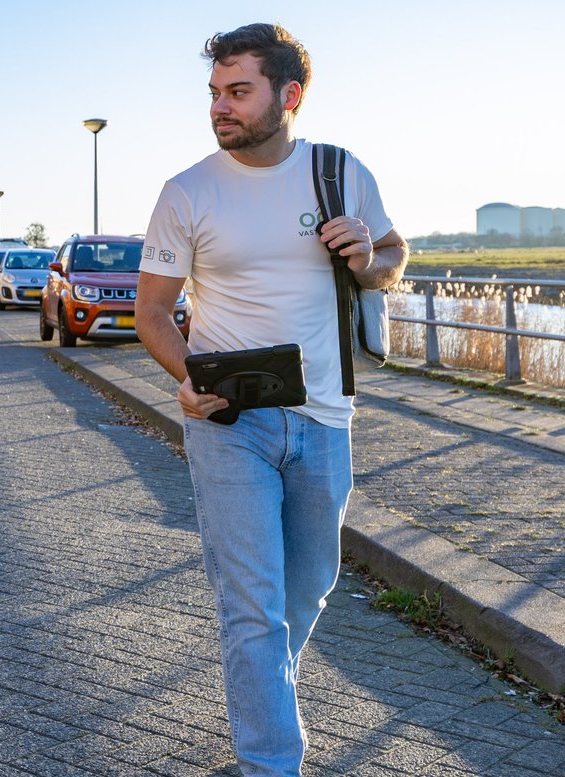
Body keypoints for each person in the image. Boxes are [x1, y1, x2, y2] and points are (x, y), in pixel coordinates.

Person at [134, 23, 408, 777]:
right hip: (230, 424)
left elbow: (393, 254)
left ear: (288, 96)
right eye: (214, 94)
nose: (220, 107)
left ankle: (261, 693)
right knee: (252, 608)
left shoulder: (339, 172)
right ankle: (272, 760)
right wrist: (186, 377)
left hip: (325, 420)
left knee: (309, 590)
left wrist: (370, 256)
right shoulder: (186, 191)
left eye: (238, 91)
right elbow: (151, 311)